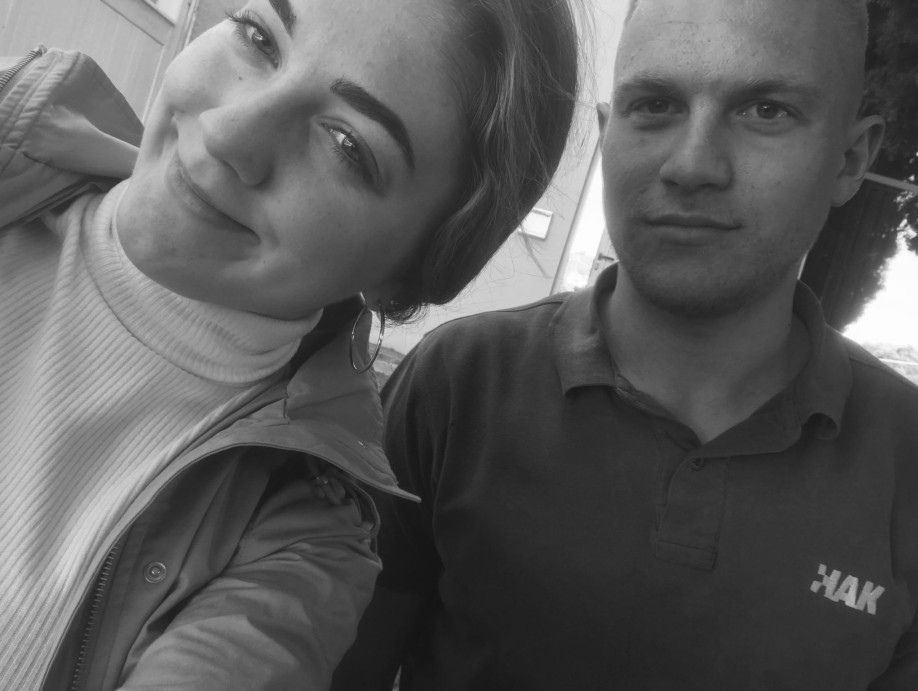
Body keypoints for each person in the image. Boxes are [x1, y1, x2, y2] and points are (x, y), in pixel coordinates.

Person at [334, 0, 918, 688]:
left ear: (851, 159)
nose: (693, 164)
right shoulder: (460, 383)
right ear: (608, 132)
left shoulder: (907, 460)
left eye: (766, 111)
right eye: (655, 105)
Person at [0, 0, 580, 687]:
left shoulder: (300, 539)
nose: (229, 133)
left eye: (347, 144)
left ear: (407, 272)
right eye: (259, 37)